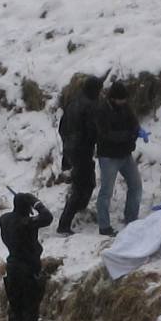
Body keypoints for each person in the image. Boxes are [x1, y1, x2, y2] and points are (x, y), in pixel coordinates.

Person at [0, 191, 53, 321]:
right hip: (28, 272)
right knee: (30, 314)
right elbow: (47, 217)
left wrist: (25, 203)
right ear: (27, 208)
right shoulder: (27, 223)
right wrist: (36, 203)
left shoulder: (4, 220)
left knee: (15, 313)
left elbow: (12, 216)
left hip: (12, 269)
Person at [95, 81, 143, 236]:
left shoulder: (125, 108)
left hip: (125, 155)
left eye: (125, 99)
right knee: (106, 191)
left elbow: (134, 123)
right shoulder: (102, 110)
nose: (124, 102)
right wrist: (128, 135)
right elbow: (105, 134)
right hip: (108, 156)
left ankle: (131, 219)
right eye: (121, 99)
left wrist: (136, 131)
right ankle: (104, 226)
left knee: (136, 185)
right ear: (113, 98)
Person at [57, 75, 103, 234]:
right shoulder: (90, 106)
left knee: (85, 183)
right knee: (81, 186)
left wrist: (67, 144)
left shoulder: (73, 102)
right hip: (82, 151)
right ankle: (64, 224)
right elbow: (93, 131)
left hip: (70, 149)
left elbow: (61, 127)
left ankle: (79, 211)